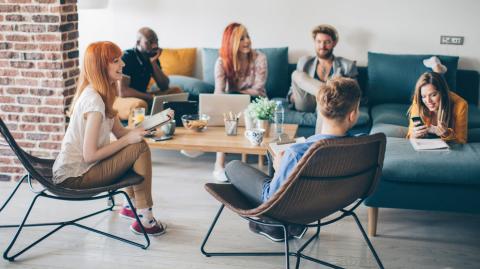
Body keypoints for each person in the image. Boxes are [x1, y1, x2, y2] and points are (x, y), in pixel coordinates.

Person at [53, 41, 172, 236]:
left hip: (84, 169)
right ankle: (144, 218)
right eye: (116, 61)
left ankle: (131, 206)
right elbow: (90, 155)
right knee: (139, 148)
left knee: (137, 144)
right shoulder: (94, 101)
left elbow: (121, 133)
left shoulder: (102, 94)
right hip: (75, 177)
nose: (123, 64)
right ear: (101, 67)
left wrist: (151, 123)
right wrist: (129, 140)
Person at [225, 77, 362, 242]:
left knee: (232, 166)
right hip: (326, 201)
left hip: (293, 207)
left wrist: (278, 168)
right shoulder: (361, 144)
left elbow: (272, 197)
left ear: (320, 110)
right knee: (273, 153)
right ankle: (281, 226)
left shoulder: (296, 153)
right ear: (353, 115)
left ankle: (273, 225)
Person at [212, 22, 268, 182]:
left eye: (247, 36)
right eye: (241, 38)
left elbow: (258, 89)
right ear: (231, 42)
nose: (247, 41)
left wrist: (234, 95)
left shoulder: (260, 58)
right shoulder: (222, 62)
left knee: (238, 114)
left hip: (257, 103)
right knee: (228, 116)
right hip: (232, 104)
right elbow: (219, 92)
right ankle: (219, 166)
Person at [289, 24, 358, 134]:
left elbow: (353, 92)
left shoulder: (347, 65)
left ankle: (319, 144)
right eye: (319, 41)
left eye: (327, 42)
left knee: (325, 100)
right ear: (314, 42)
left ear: (334, 43)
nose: (322, 46)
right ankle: (324, 92)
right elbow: (293, 89)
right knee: (296, 74)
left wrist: (325, 95)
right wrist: (292, 95)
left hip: (331, 103)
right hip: (306, 101)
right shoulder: (304, 61)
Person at [113, 27, 182, 122]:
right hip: (120, 99)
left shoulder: (151, 57)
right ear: (138, 43)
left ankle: (168, 120)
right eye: (150, 42)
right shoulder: (127, 57)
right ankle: (141, 126)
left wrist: (153, 63)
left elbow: (164, 85)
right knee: (140, 105)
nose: (155, 46)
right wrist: (150, 97)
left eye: (156, 41)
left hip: (142, 96)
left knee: (176, 91)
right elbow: (123, 92)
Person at [407, 71, 467, 144]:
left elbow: (461, 141)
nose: (428, 101)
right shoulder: (419, 101)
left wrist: (446, 134)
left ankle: (438, 68)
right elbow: (410, 135)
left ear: (443, 93)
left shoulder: (461, 105)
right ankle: (437, 68)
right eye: (424, 96)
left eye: (433, 95)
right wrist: (414, 135)